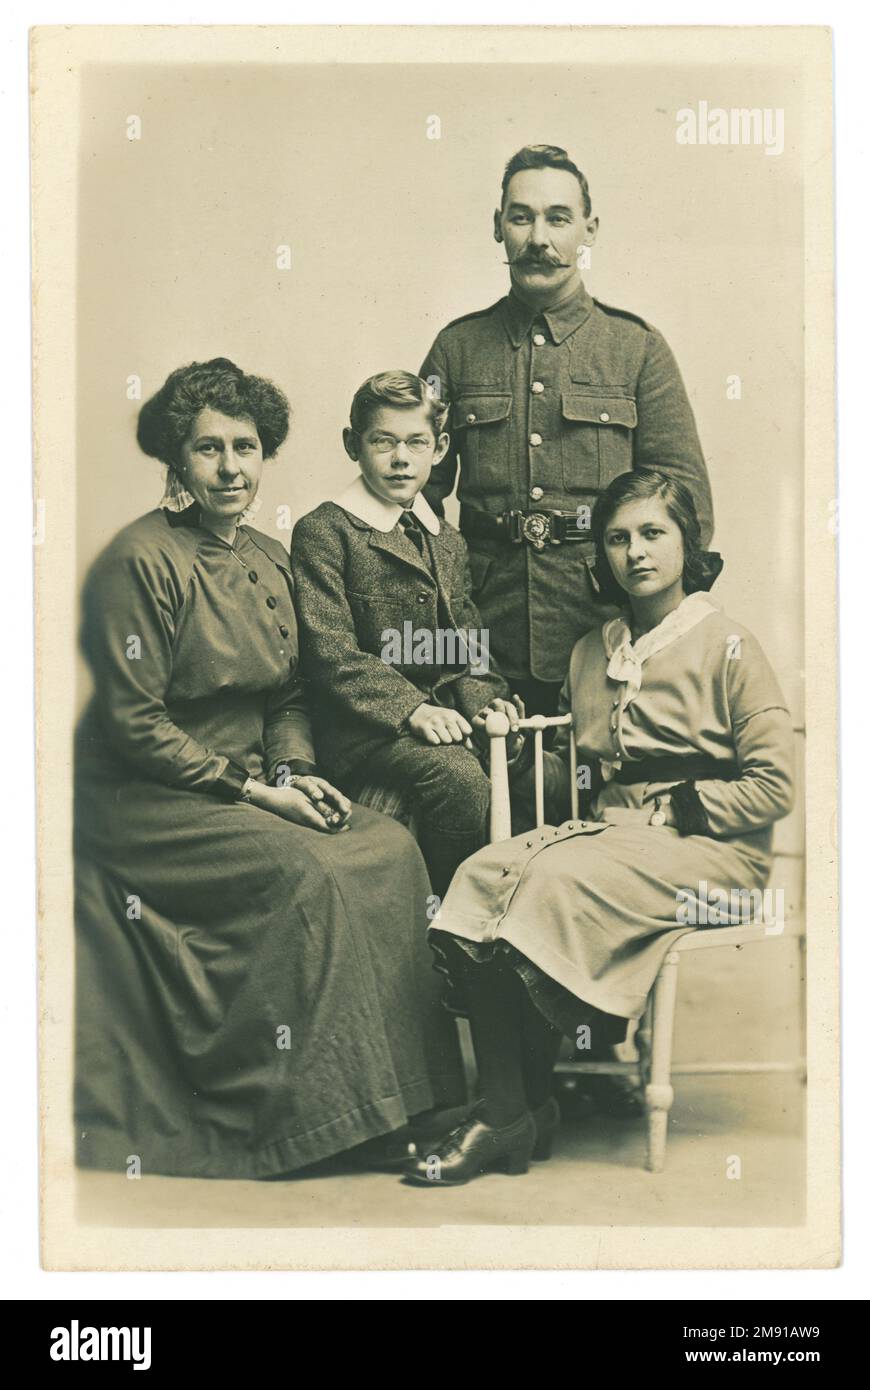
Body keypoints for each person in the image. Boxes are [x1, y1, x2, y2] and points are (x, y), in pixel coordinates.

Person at [74, 357, 465, 1181]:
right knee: (312, 869)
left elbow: (289, 692)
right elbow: (132, 722)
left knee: (387, 847)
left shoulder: (269, 554)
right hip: (149, 797)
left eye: (245, 448)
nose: (230, 468)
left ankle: (408, 1101)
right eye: (208, 449)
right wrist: (254, 792)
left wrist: (289, 774)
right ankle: (321, 1117)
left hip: (254, 779)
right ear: (175, 460)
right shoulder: (139, 561)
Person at [405, 468, 794, 1186]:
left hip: (714, 859)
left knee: (548, 881)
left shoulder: (729, 645)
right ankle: (520, 1104)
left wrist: (683, 805)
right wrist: (519, 741)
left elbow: (775, 785)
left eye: (654, 534)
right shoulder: (592, 650)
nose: (635, 553)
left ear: (688, 543)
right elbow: (574, 767)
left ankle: (505, 1113)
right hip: (616, 848)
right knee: (481, 875)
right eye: (618, 538)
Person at [419, 143, 714, 719]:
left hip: (603, 626)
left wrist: (648, 626)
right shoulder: (455, 349)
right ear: (498, 226)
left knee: (594, 796)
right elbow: (413, 498)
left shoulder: (636, 348)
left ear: (588, 230)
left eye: (558, 218)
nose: (538, 238)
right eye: (521, 216)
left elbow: (687, 505)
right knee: (491, 798)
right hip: (480, 631)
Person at [291, 370, 520, 900]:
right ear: (354, 445)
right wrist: (410, 710)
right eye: (383, 442)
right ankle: (443, 913)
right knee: (458, 781)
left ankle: (506, 922)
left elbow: (468, 643)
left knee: (531, 765)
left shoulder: (445, 538)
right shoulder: (326, 531)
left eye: (416, 443)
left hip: (443, 716)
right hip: (364, 730)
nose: (401, 458)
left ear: (439, 449)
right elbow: (330, 652)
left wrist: (489, 703)